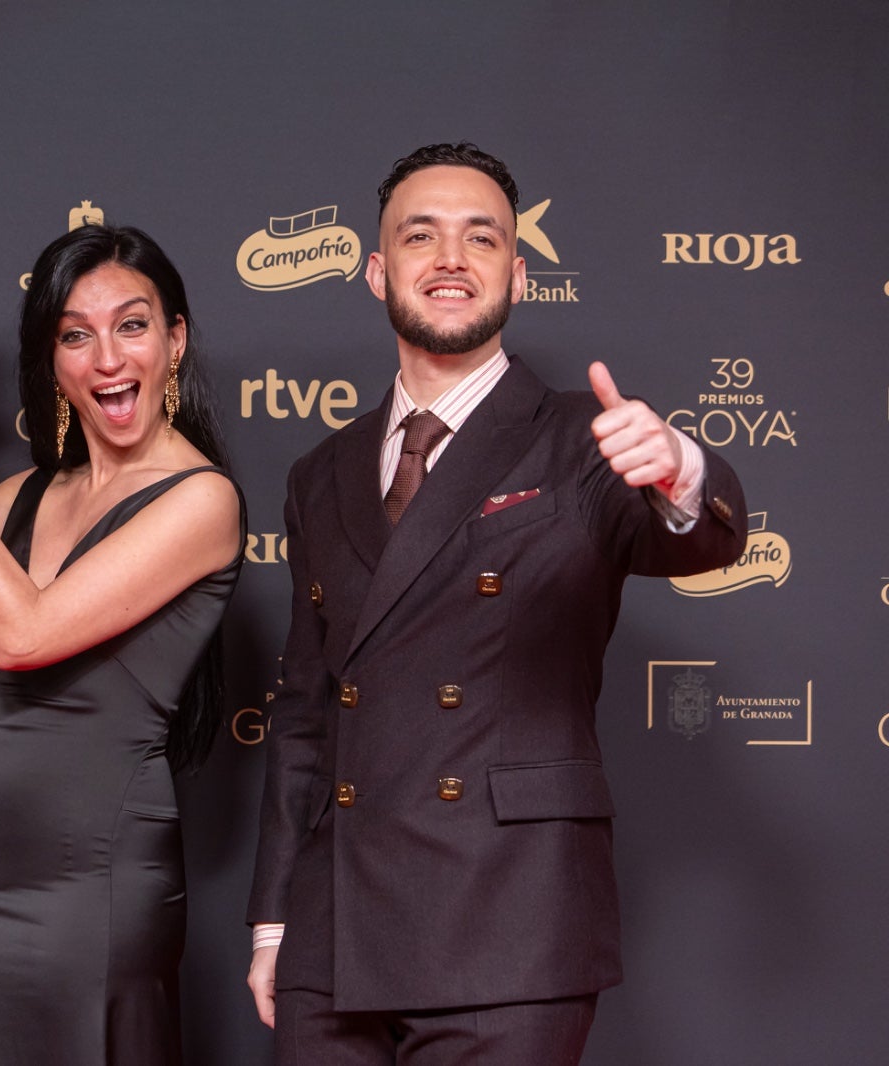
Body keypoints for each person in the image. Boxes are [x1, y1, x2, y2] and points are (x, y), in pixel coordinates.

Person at [245, 143, 747, 1065]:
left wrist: (683, 474)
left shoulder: (584, 440)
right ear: (375, 271)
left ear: (516, 274)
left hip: (508, 919)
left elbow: (704, 537)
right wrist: (275, 917)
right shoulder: (320, 474)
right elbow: (306, 715)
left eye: (481, 238)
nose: (449, 258)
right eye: (420, 235)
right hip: (333, 925)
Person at [0, 224, 245, 1065]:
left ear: (174, 342)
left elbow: (22, 638)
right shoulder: (32, 491)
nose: (107, 358)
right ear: (52, 361)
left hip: (91, 877)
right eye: (75, 334)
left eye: (132, 326)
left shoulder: (201, 499)